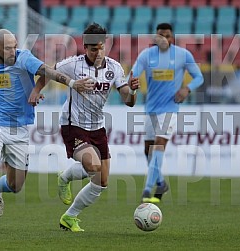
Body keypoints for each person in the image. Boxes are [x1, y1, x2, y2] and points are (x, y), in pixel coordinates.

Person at [0, 29, 93, 232]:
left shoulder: (24, 58)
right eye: (8, 48)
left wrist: (72, 83)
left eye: (15, 46)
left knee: (16, 185)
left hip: (19, 129)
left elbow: (47, 71)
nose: (13, 51)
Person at [29, 22, 140, 232]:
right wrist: (35, 91)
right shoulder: (73, 64)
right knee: (94, 166)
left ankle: (69, 216)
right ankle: (66, 177)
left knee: (101, 181)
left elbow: (128, 100)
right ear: (84, 46)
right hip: (73, 124)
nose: (98, 52)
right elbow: (48, 73)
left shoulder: (114, 68)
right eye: (93, 49)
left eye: (101, 47)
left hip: (97, 127)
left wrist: (133, 92)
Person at [130, 23, 204, 203]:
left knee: (158, 146)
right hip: (150, 109)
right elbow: (133, 75)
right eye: (160, 35)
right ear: (156, 37)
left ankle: (148, 190)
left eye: (167, 36)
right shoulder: (146, 55)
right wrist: (131, 83)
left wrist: (187, 89)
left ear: (172, 38)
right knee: (147, 150)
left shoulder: (182, 55)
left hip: (170, 108)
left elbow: (199, 77)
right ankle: (161, 182)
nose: (164, 38)